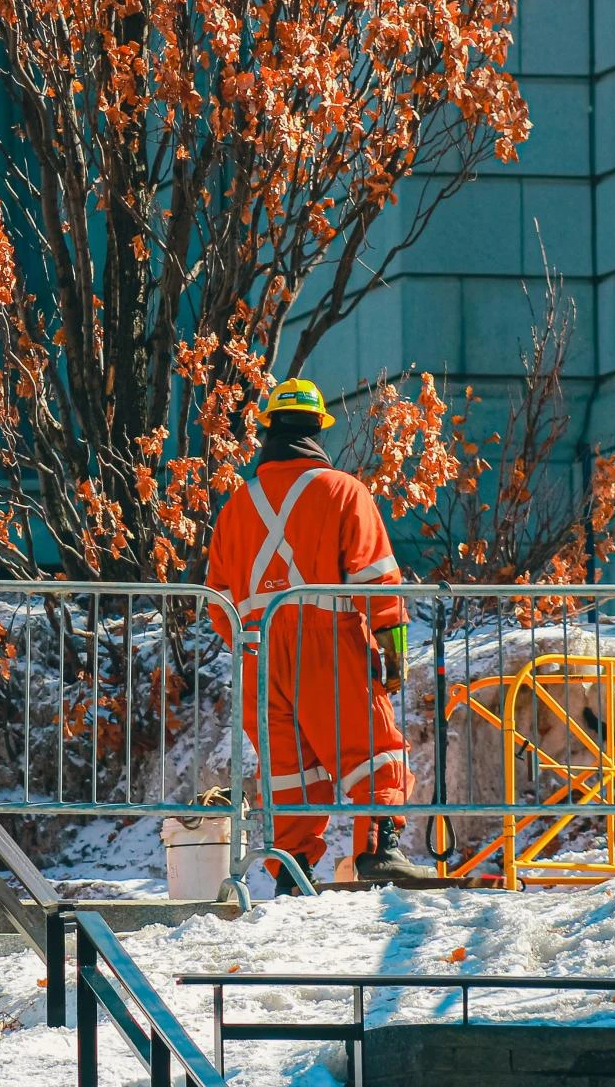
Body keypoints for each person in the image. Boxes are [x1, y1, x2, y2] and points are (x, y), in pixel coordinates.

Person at [204, 379, 428, 889]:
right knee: (373, 749)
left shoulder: (236, 507)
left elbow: (218, 600)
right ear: (318, 429)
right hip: (329, 644)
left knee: (289, 769)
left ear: (269, 431)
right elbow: (378, 583)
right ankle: (378, 852)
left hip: (258, 655)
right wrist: (394, 651)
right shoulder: (345, 492)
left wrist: (254, 643)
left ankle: (291, 871)